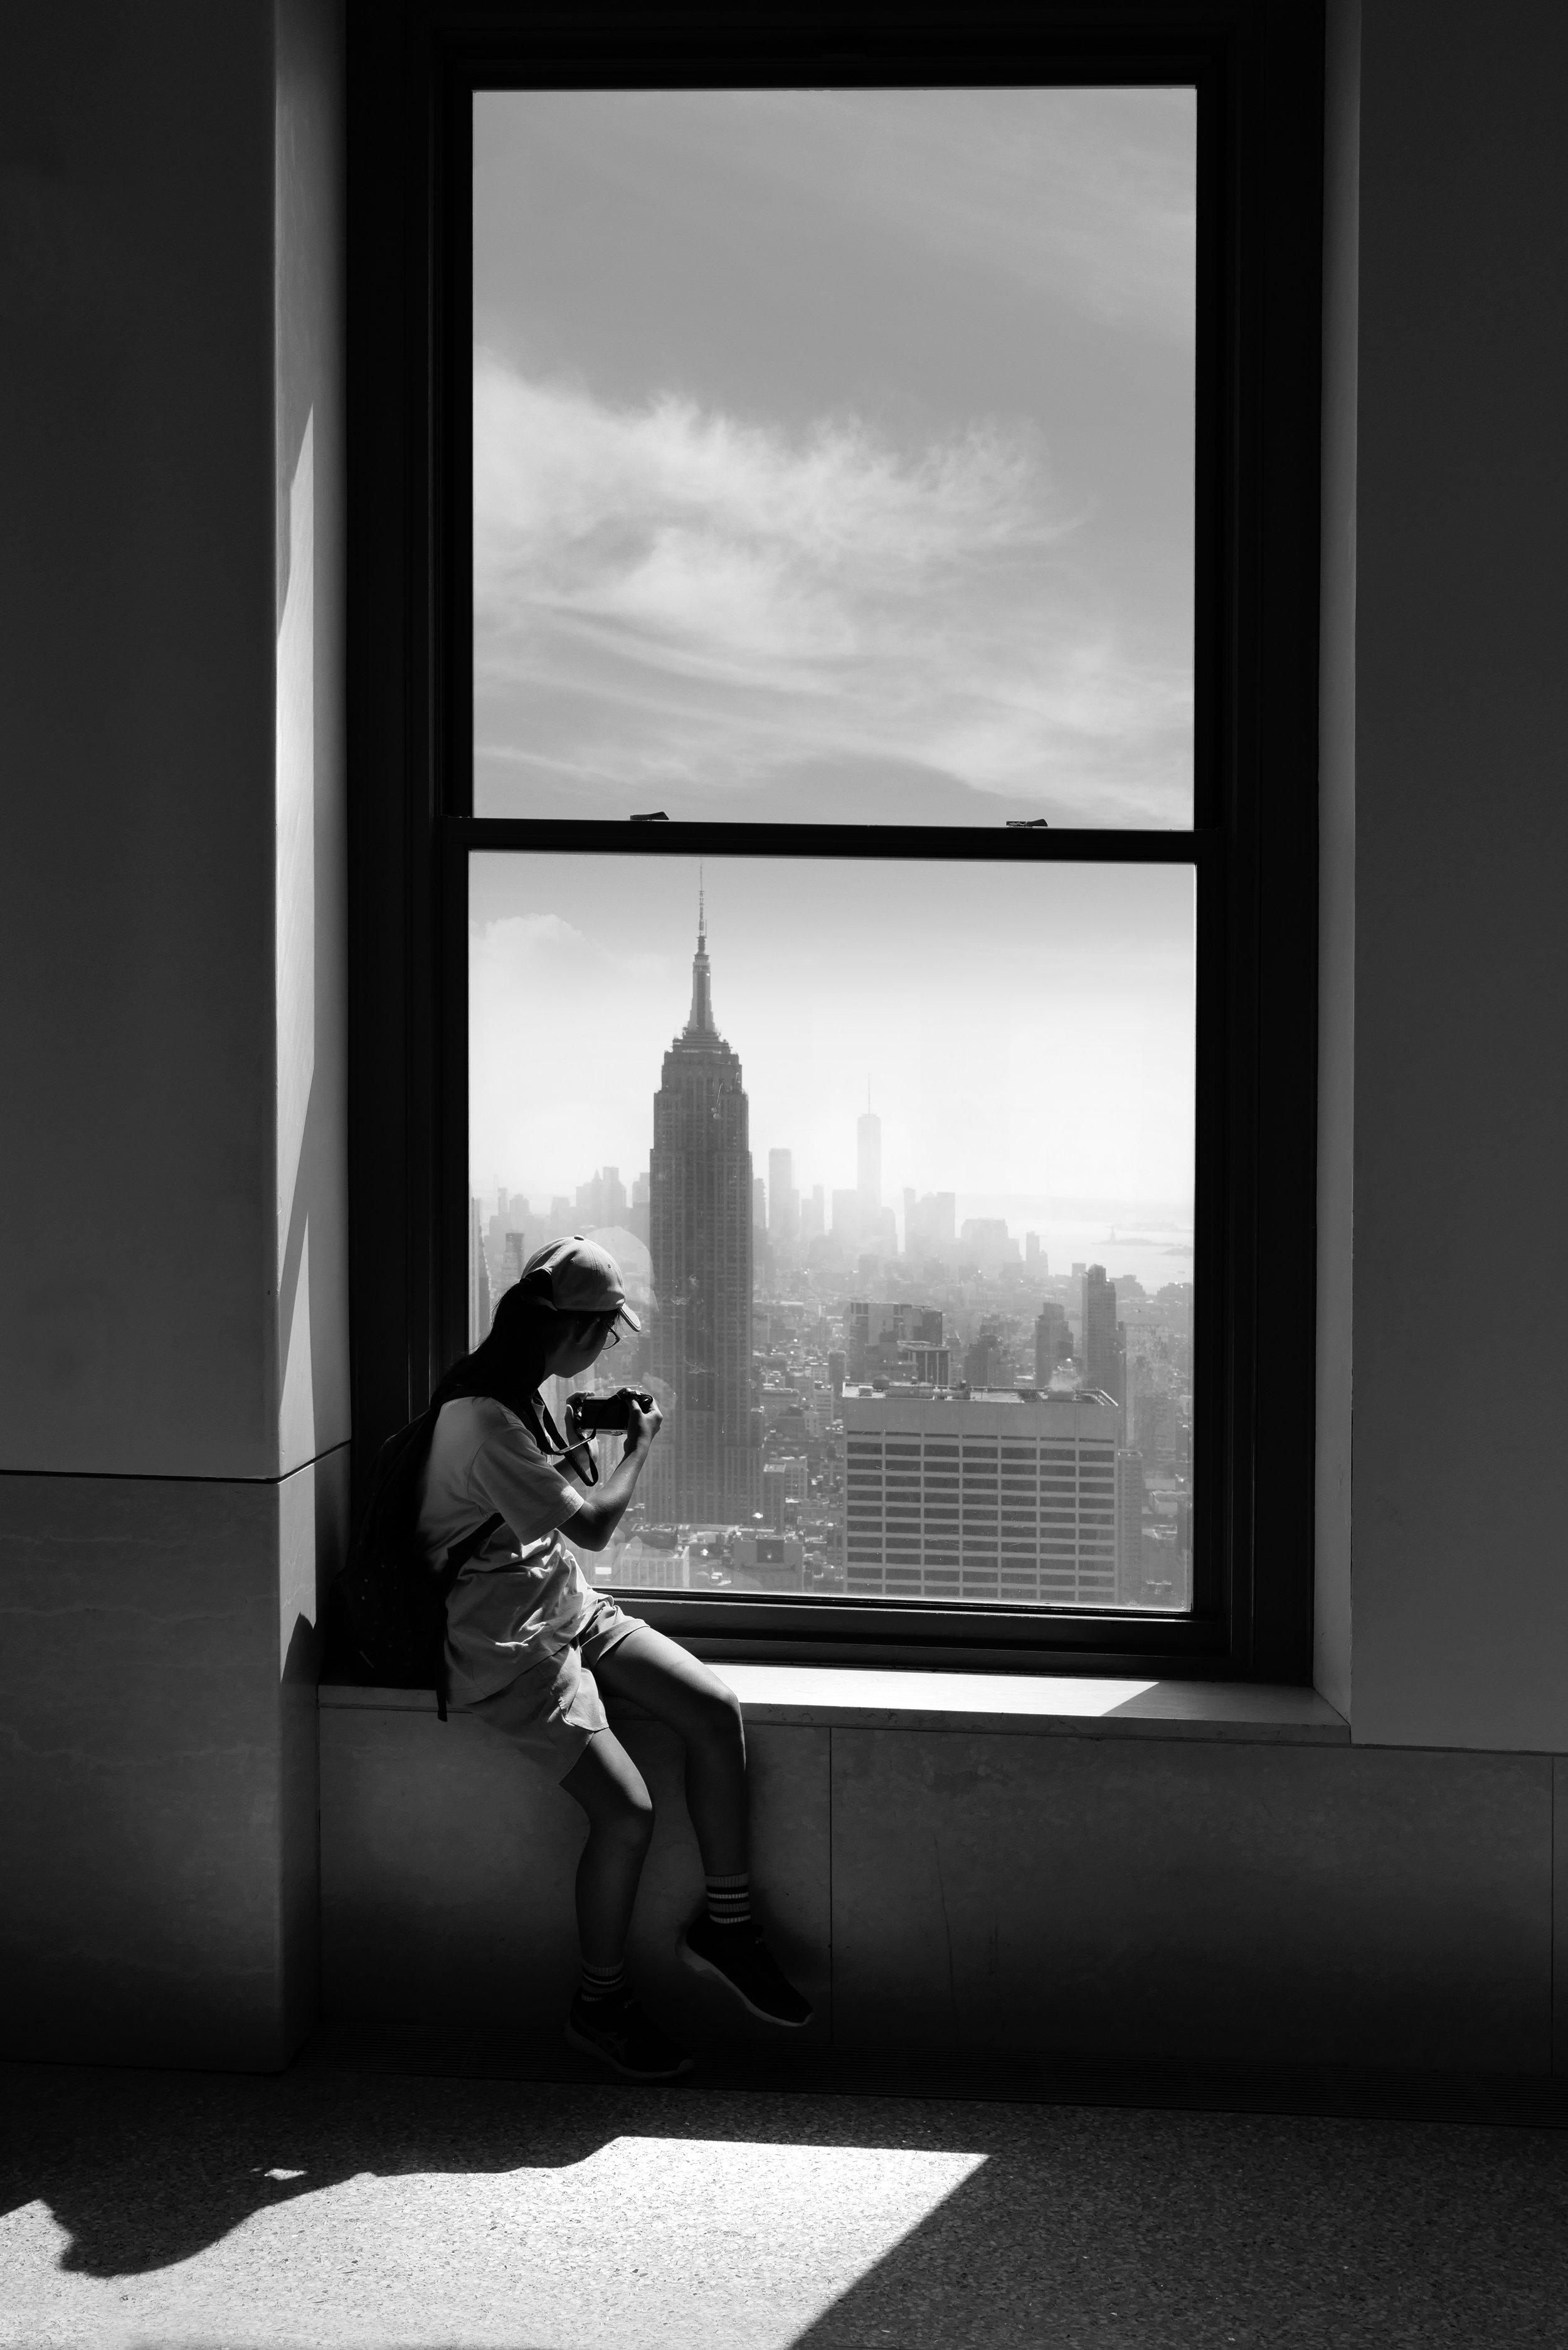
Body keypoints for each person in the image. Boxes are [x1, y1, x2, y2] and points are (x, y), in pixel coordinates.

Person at [415, 1233, 811, 2080]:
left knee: (713, 1712)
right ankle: (599, 2005)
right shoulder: (484, 1420)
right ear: (572, 1329)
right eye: (605, 1332)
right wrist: (639, 1445)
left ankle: (729, 1927)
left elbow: (543, 1508)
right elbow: (592, 1525)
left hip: (561, 1604)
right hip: (507, 1642)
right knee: (627, 1814)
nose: (606, 1347)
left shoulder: (516, 1392)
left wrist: (584, 1429)